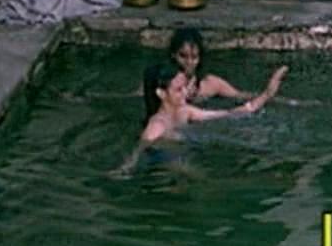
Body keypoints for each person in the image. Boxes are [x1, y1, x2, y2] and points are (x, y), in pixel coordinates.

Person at [115, 61, 288, 174]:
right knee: (200, 177)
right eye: (178, 89)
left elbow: (230, 114)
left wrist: (266, 94)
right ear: (161, 93)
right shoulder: (157, 125)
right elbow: (138, 151)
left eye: (185, 87)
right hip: (163, 158)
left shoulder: (185, 111)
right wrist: (123, 170)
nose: (185, 92)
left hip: (184, 150)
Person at [168, 28, 251, 102]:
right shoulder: (165, 84)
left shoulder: (209, 84)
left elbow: (240, 96)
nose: (189, 62)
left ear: (200, 58)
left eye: (194, 57)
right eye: (183, 56)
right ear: (173, 55)